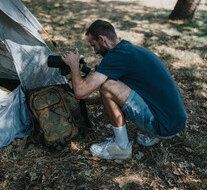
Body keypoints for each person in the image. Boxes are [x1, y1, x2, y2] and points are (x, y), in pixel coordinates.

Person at [62, 20, 187, 160]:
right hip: (175, 122)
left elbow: (80, 91)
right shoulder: (129, 50)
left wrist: (74, 65)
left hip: (163, 126)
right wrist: (89, 101)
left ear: (102, 39)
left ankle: (121, 147)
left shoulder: (116, 56)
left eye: (94, 45)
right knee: (111, 85)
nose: (95, 52)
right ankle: (152, 134)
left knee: (108, 86)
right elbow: (121, 94)